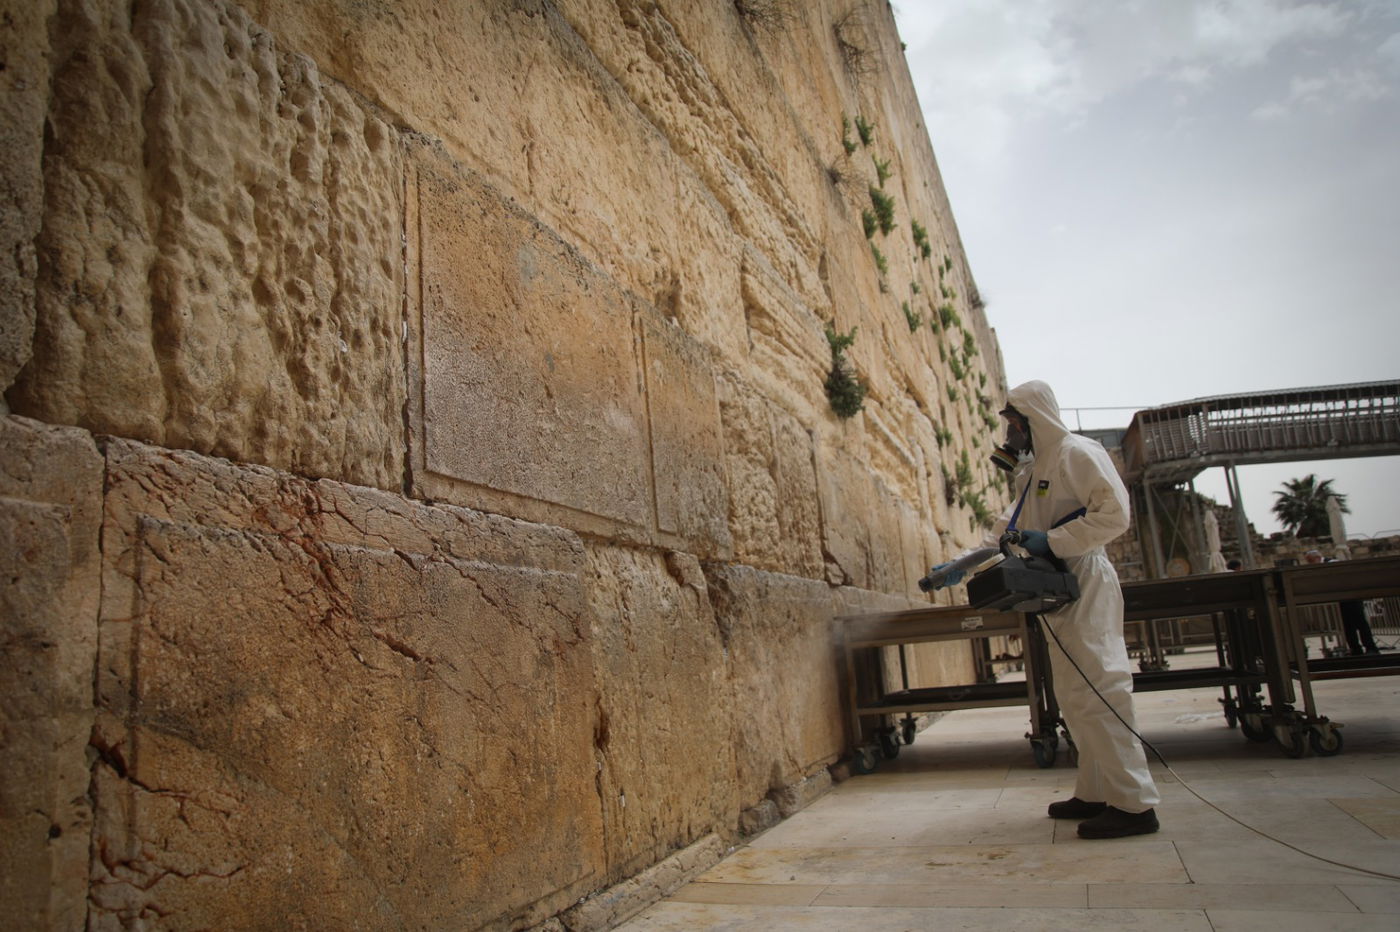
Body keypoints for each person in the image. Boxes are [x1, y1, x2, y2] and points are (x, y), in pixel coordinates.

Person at [926, 380, 1160, 838]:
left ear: (1035, 419)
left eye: (1015, 424)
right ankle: (1096, 791)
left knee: (1100, 687)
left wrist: (1052, 541)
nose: (1011, 434)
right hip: (1055, 586)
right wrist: (961, 565)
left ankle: (1135, 804)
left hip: (1085, 578)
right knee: (1074, 696)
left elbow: (1115, 516)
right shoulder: (1035, 472)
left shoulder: (1079, 453)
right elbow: (1008, 533)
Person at [1303, 549, 1380, 655]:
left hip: (1352, 597)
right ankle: (1356, 649)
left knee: (1361, 623)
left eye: (1310, 561)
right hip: (1341, 599)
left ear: (1316, 558)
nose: (1309, 564)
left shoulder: (1332, 563)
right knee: (1347, 626)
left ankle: (1371, 648)